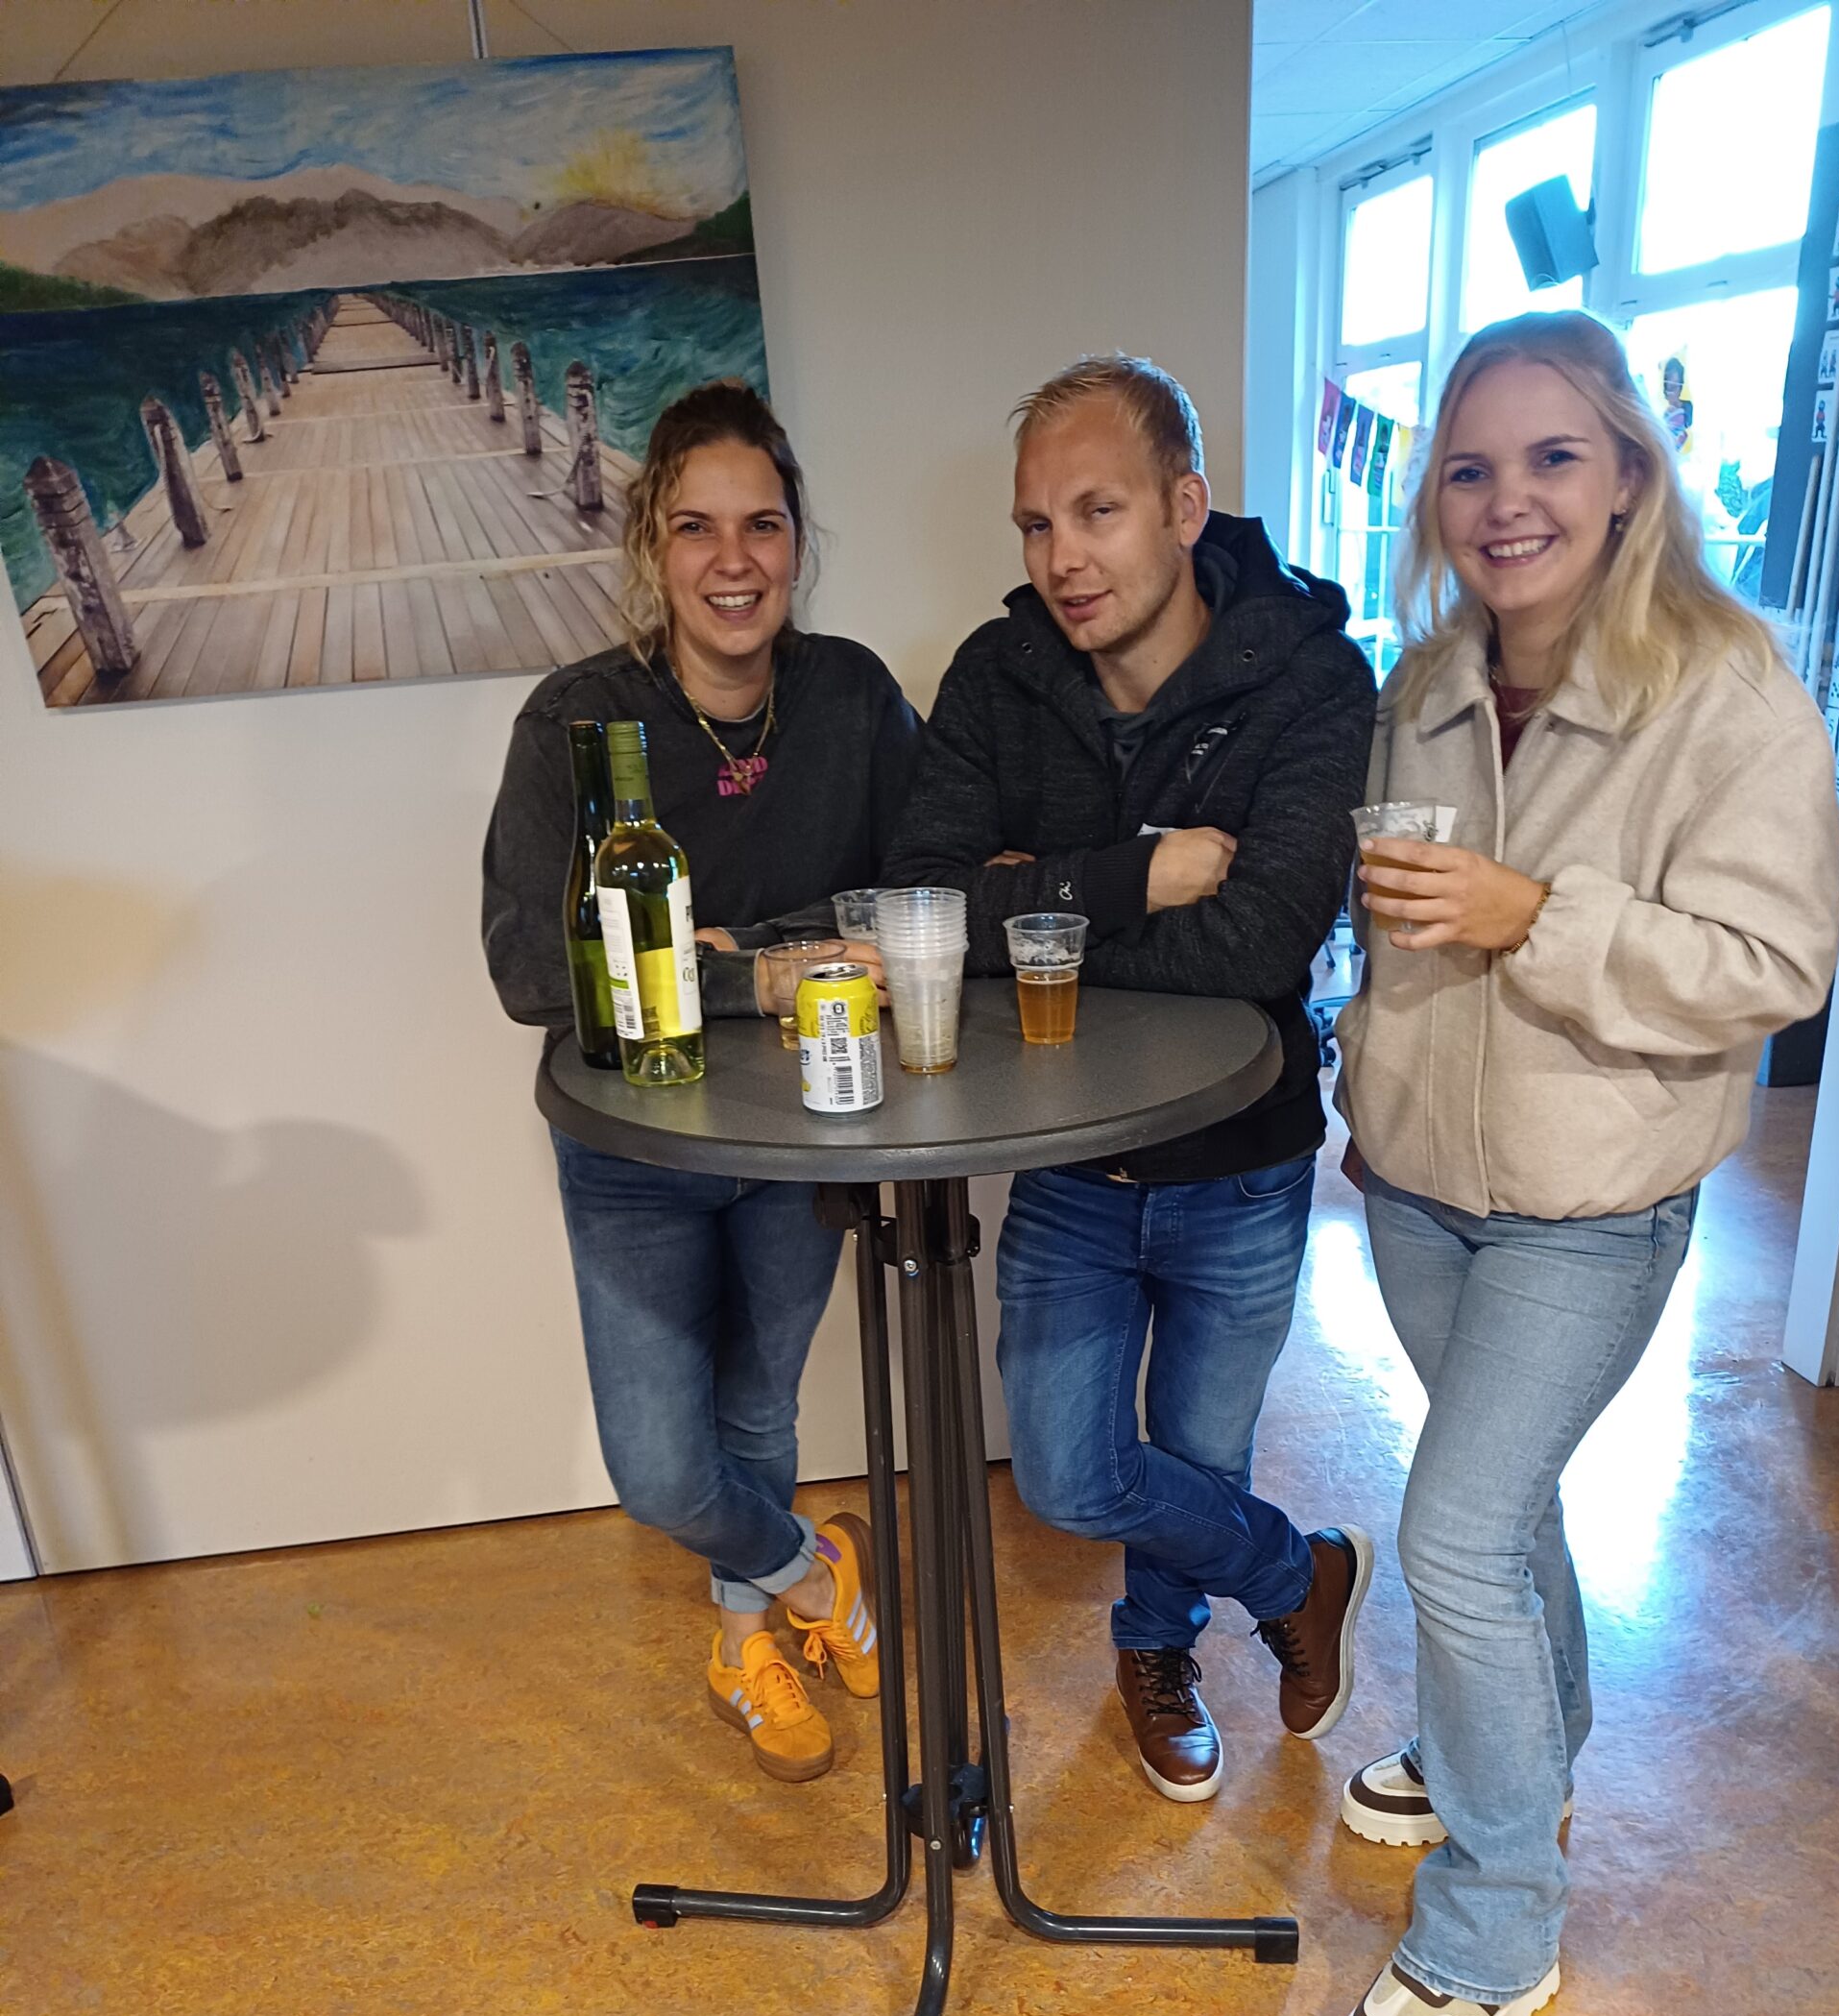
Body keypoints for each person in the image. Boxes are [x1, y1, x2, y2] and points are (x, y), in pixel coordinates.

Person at [1336, 310, 1839, 2016]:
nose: (1509, 501)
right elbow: (1391, 923)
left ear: (1631, 472)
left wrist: (1537, 914)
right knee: (1507, 1502)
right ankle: (1522, 1752)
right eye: (1471, 468)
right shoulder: (1427, 676)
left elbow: (1776, 966)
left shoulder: (1729, 691)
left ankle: (1498, 1922)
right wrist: (1366, 1080)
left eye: (1553, 458)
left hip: (1592, 1204)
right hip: (1416, 1186)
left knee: (1456, 1533)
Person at [881, 354, 1376, 1805]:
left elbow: (1262, 943)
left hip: (1245, 1160)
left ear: (1184, 506)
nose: (1063, 559)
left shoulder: (1311, 676)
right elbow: (922, 907)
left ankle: (1157, 1651)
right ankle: (1297, 1574)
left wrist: (1033, 909)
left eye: (1097, 512)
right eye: (1037, 525)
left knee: (1200, 1456)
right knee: (1070, 1475)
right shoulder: (1000, 672)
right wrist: (1135, 877)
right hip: (1069, 1159)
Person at [483, 381, 920, 1785]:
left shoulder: (850, 695)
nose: (734, 561)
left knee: (757, 1416)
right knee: (663, 1469)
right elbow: (530, 971)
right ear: (650, 546)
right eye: (696, 527)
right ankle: (815, 1575)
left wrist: (733, 946)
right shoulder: (578, 721)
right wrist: (759, 973)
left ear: (797, 540)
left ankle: (744, 1645)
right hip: (636, 1148)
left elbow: (924, 892)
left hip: (801, 1128)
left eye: (763, 525)